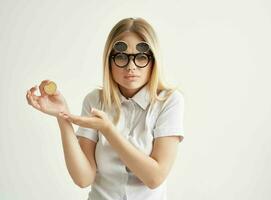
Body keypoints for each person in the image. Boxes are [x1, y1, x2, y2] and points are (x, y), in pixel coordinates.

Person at [26, 17, 184, 200]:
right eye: (121, 57)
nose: (131, 66)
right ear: (109, 61)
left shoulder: (169, 101)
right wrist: (63, 116)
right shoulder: (94, 100)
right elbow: (83, 178)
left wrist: (108, 130)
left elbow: (154, 177)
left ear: (153, 61)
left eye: (141, 57)